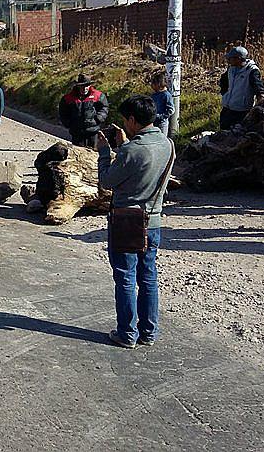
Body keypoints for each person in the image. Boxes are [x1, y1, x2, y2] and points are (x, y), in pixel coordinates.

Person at [97, 95, 174, 349]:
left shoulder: (132, 150)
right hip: (153, 220)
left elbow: (108, 181)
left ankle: (127, 333)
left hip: (126, 221)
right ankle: (149, 332)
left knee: (126, 278)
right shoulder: (167, 144)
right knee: (148, 277)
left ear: (132, 120)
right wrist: (124, 146)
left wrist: (106, 153)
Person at [218, 46, 264, 130]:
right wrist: (225, 94)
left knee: (236, 135)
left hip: (241, 111)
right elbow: (224, 80)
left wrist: (262, 97)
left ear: (239, 59)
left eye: (230, 58)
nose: (228, 60)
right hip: (227, 108)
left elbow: (258, 86)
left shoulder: (252, 71)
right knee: (223, 133)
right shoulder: (231, 68)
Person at [58, 74, 109, 148]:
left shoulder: (98, 96)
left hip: (93, 132)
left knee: (93, 155)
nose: (84, 88)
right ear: (78, 86)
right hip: (77, 132)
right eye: (82, 86)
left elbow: (104, 107)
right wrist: (68, 123)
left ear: (90, 85)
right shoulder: (68, 98)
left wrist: (98, 119)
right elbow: (63, 112)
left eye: (87, 85)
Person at [149, 72, 175, 137]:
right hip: (153, 122)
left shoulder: (166, 95)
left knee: (161, 139)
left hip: (161, 123)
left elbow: (171, 110)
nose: (152, 85)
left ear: (159, 84)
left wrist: (162, 116)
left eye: (153, 83)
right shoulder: (154, 95)